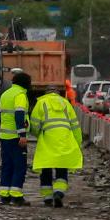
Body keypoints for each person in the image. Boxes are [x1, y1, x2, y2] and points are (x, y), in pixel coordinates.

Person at [28, 77, 84, 207]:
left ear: (46, 93)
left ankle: (47, 198)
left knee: (46, 170)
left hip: (47, 141)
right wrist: (78, 143)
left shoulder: (41, 103)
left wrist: (38, 134)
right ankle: (58, 193)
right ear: (58, 93)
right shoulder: (66, 104)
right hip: (64, 141)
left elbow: (35, 125)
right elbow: (75, 125)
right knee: (61, 169)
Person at [0, 67, 32, 205]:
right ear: (26, 84)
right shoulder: (20, 95)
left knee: (7, 165)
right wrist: (22, 134)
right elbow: (19, 115)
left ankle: (4, 195)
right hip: (16, 138)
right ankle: (16, 196)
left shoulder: (6, 94)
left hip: (4, 136)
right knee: (19, 166)